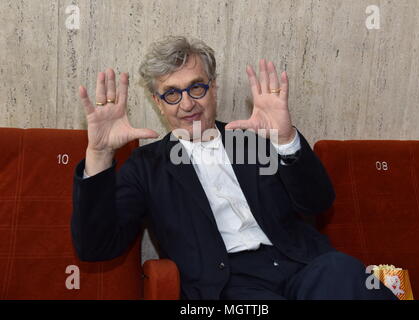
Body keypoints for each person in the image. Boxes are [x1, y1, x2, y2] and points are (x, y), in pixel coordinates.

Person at [72, 36, 397, 300]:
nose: (187, 104)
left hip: (303, 265)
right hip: (228, 287)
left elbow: (317, 203)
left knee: (343, 272)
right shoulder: (146, 166)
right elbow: (96, 247)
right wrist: (99, 155)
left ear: (213, 88)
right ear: (158, 102)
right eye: (171, 93)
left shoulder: (254, 139)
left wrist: (284, 138)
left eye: (196, 87)